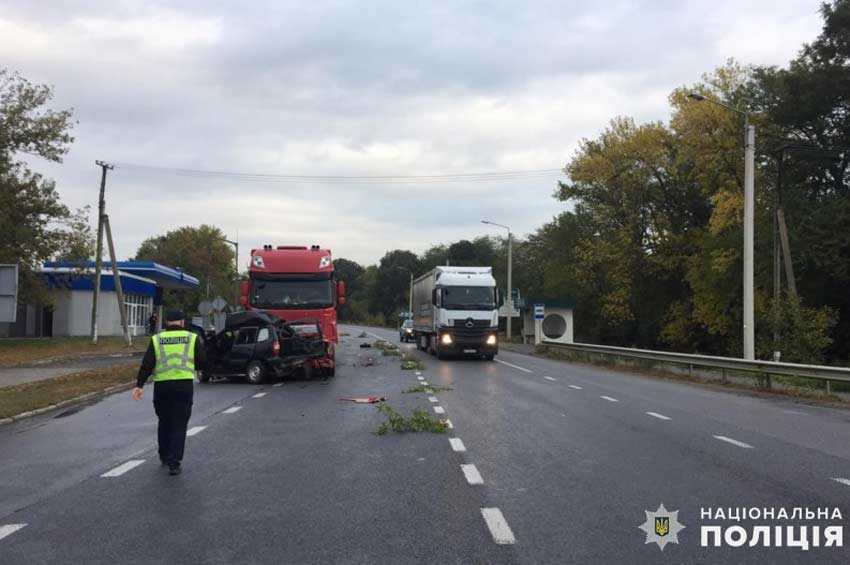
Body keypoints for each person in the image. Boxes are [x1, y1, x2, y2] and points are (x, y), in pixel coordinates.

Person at [132, 310, 207, 476]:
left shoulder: (157, 339)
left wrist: (139, 385)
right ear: (181, 322)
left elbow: (147, 364)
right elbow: (202, 361)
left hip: (162, 387)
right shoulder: (191, 338)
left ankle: (164, 455)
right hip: (183, 386)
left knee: (164, 421)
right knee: (179, 424)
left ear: (166, 322)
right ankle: (174, 463)